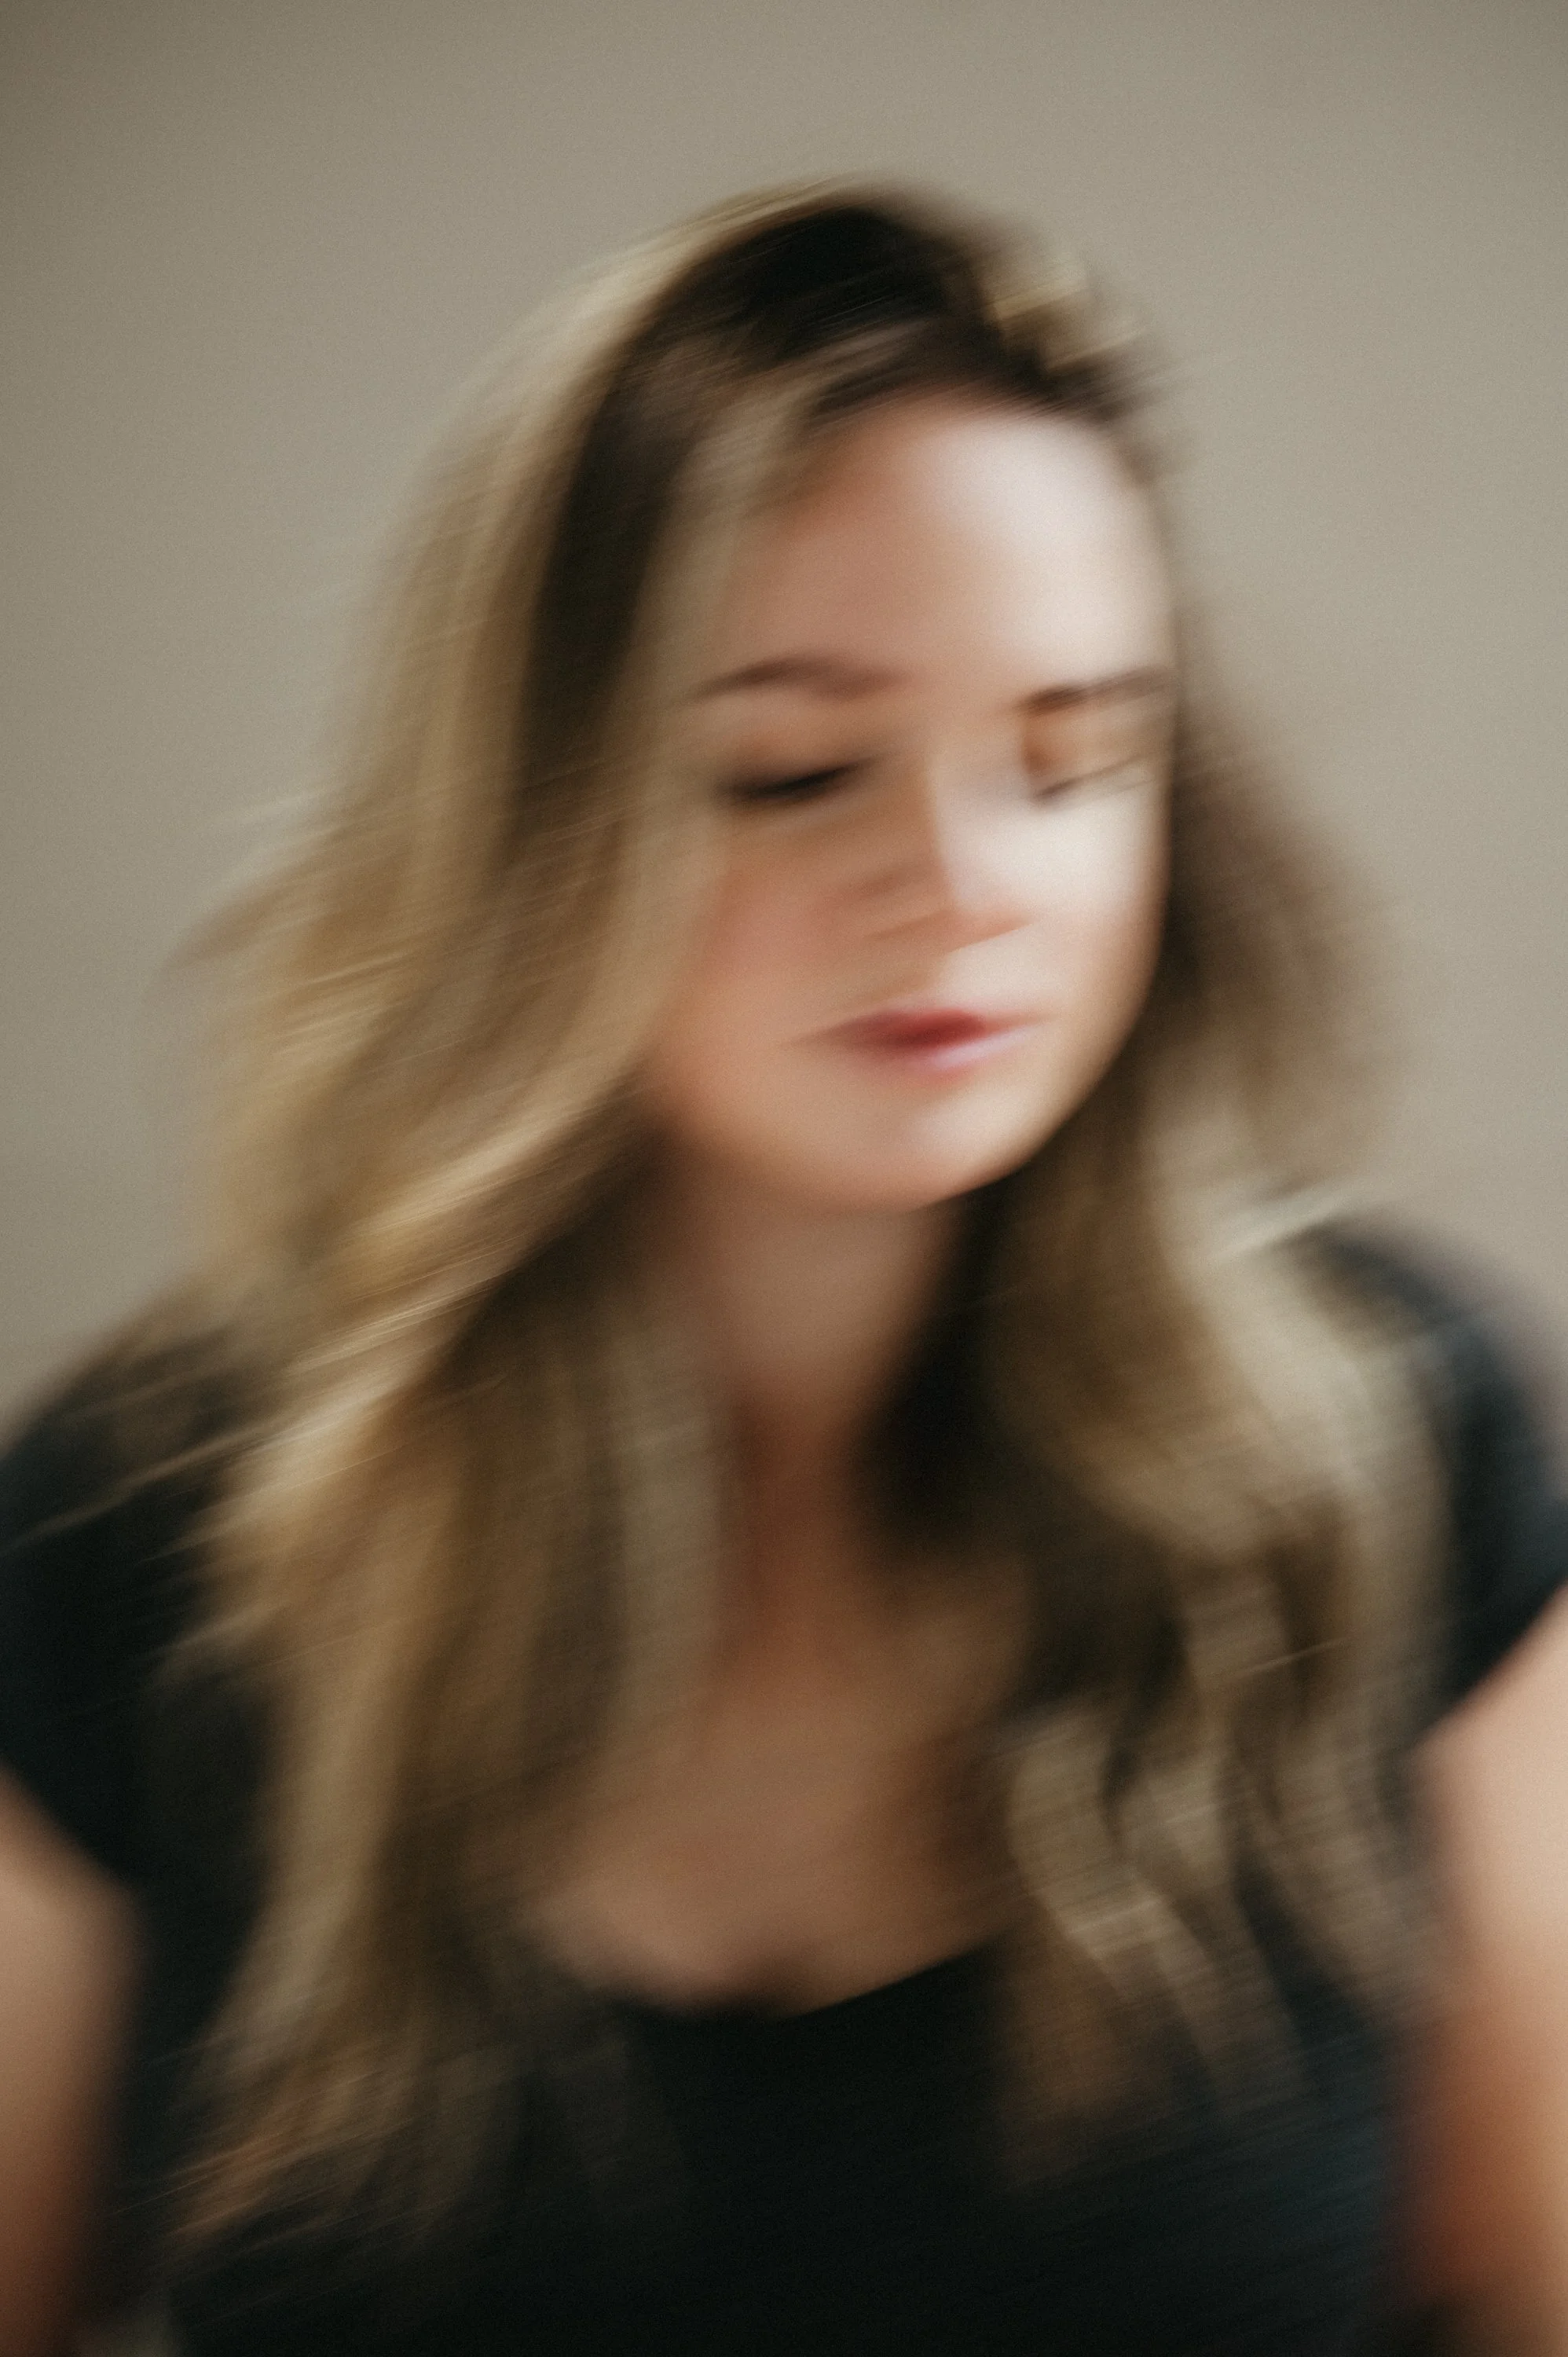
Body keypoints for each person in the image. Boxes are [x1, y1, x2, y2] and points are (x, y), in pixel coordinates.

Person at [0, 182, 1564, 2357]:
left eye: (1073, 757)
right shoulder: (139, 1530)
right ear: (533, 814)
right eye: (794, 768)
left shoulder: (1400, 1455)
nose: (960, 880)